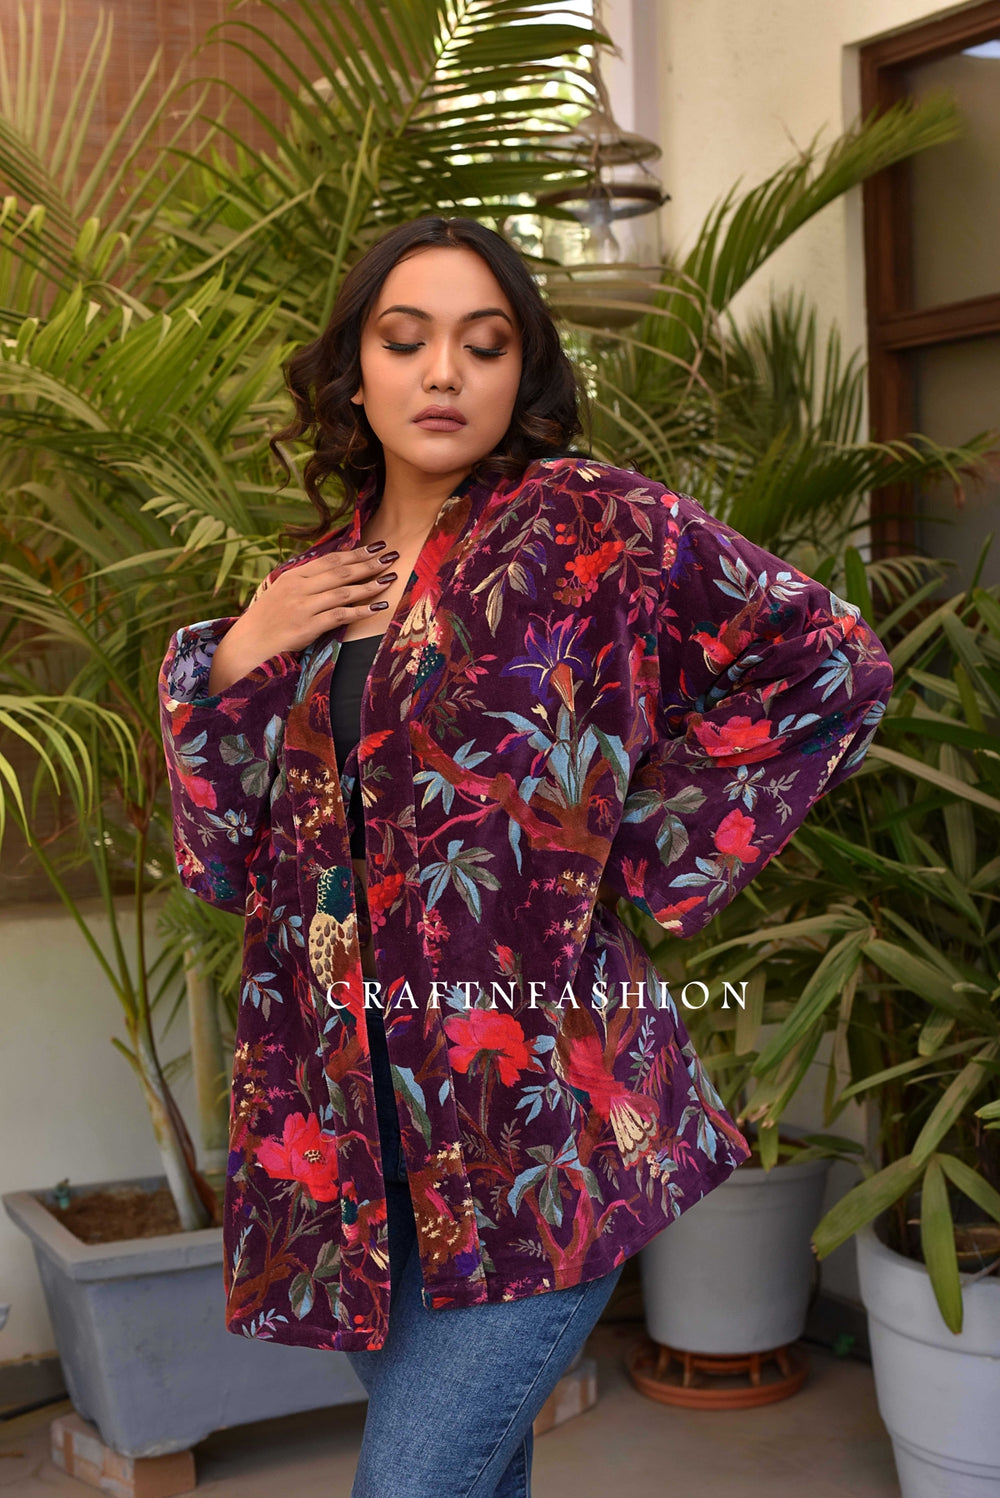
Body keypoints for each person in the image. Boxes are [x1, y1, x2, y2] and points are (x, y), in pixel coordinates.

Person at [158, 216, 894, 1498]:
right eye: (405, 340)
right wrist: (234, 655)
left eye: (483, 344)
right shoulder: (315, 581)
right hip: (349, 1132)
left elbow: (827, 661)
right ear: (354, 374)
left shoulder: (588, 522)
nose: (442, 371)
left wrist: (626, 851)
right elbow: (226, 854)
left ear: (522, 372)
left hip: (535, 1120)